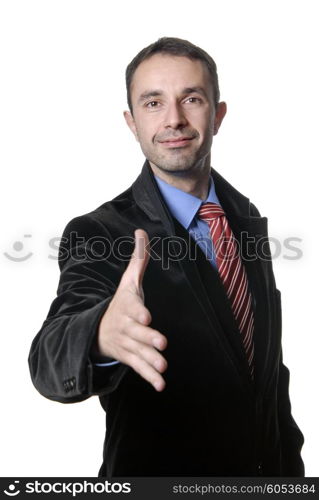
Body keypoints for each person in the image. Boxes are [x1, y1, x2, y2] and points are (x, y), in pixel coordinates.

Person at [28, 37, 304, 477]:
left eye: (191, 99)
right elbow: (49, 356)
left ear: (218, 115)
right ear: (132, 123)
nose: (173, 119)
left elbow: (267, 372)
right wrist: (98, 335)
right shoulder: (100, 233)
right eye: (153, 103)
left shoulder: (243, 217)